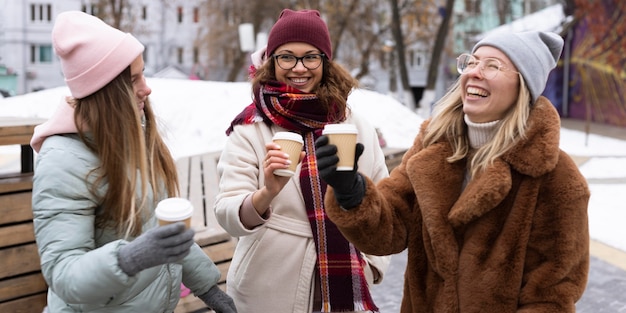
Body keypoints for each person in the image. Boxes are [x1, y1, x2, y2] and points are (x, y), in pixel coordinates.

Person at [315, 31, 590, 312]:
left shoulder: (556, 177)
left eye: (492, 66)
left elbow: (550, 296)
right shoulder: (432, 147)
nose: (475, 73)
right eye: (471, 62)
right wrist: (352, 191)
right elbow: (389, 230)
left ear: (524, 86)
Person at [30, 11, 236, 313]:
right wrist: (129, 258)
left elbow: (165, 234)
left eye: (143, 73)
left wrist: (208, 289)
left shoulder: (134, 136)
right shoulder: (63, 162)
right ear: (105, 90)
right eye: (133, 79)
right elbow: (64, 273)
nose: (147, 87)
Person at [214, 8, 390, 313]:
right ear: (271, 60)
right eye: (286, 56)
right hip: (268, 288)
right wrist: (266, 193)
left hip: (345, 276)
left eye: (310, 56)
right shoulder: (250, 127)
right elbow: (227, 213)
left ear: (324, 61)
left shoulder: (354, 124)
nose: (299, 68)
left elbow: (384, 200)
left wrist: (370, 263)